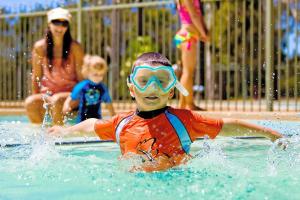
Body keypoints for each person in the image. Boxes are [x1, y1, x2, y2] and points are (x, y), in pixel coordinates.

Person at [48, 52, 284, 172]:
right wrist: (64, 130)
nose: (153, 88)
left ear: (171, 90)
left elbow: (228, 124)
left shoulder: (185, 121)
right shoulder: (121, 124)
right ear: (132, 88)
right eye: (144, 81)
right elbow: (91, 125)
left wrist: (270, 134)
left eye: (162, 81)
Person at [25, 7, 84, 125]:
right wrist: (37, 99)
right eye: (56, 22)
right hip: (48, 94)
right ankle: (41, 137)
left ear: (68, 26)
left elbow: (81, 76)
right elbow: (36, 76)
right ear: (49, 23)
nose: (60, 27)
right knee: (30, 102)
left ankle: (58, 137)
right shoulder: (40, 47)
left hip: (71, 94)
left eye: (64, 23)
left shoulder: (75, 47)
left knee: (56, 100)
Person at [174, 0, 209, 110]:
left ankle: (189, 104)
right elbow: (194, 15)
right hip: (187, 36)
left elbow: (198, 14)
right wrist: (203, 33)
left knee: (188, 72)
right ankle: (182, 106)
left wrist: (203, 31)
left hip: (190, 36)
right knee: (187, 72)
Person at [62, 55, 116, 123]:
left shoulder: (103, 88)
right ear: (87, 72)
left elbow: (109, 104)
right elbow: (71, 96)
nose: (98, 77)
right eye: (95, 74)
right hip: (81, 121)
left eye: (101, 75)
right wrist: (66, 105)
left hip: (96, 121)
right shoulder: (82, 86)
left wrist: (114, 118)